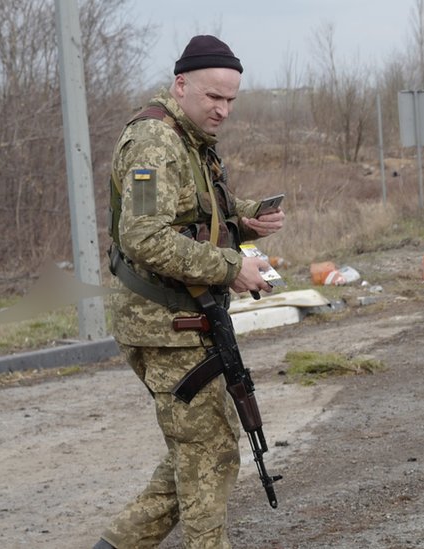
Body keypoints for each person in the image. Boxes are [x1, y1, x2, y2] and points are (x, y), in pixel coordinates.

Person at [93, 35, 284, 549]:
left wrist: (244, 220)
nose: (222, 110)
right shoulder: (153, 143)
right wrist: (230, 268)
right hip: (164, 325)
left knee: (201, 453)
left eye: (230, 100)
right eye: (213, 97)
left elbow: (193, 212)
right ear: (181, 85)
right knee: (208, 458)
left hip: (187, 321)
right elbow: (143, 235)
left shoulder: (192, 140)